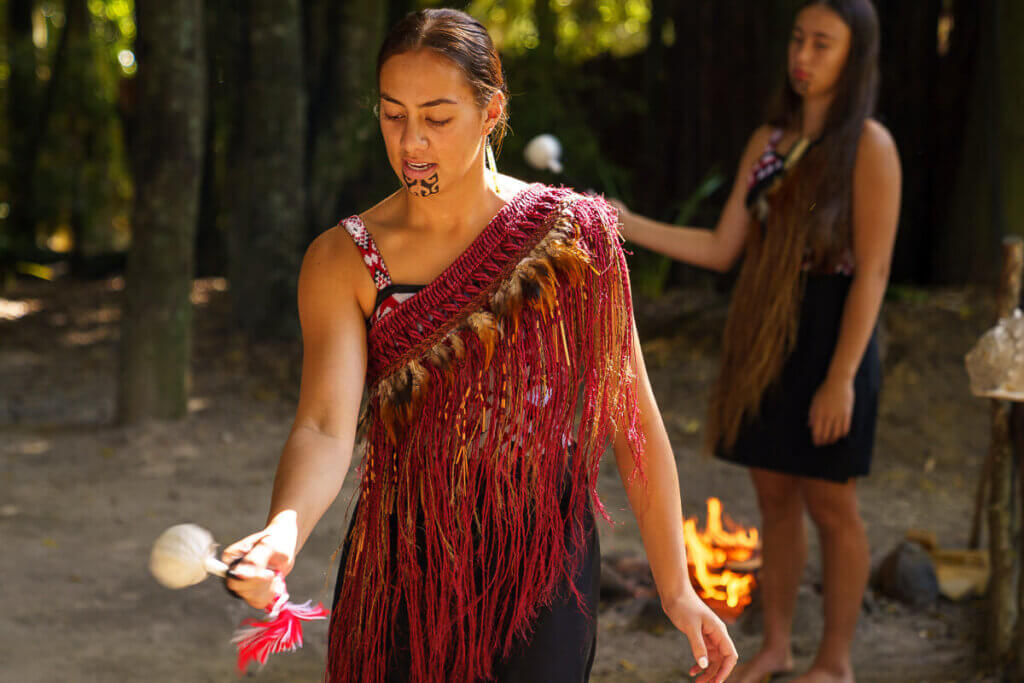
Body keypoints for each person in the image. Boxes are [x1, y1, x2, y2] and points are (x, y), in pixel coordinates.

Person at [220, 8, 737, 683]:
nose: (412, 143)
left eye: (437, 118)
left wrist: (676, 586)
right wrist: (281, 531)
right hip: (402, 559)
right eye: (393, 114)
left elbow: (631, 413)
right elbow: (322, 424)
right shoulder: (344, 258)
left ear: (492, 111)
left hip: (541, 566)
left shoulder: (574, 236)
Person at [612, 2, 900, 682]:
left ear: (854, 55)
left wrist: (842, 377)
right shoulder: (769, 141)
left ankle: (835, 659)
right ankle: (776, 644)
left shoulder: (871, 148)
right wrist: (626, 224)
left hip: (836, 334)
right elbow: (720, 247)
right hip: (766, 333)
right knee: (773, 494)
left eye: (823, 44)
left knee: (832, 499)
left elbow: (876, 272)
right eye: (799, 39)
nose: (804, 55)